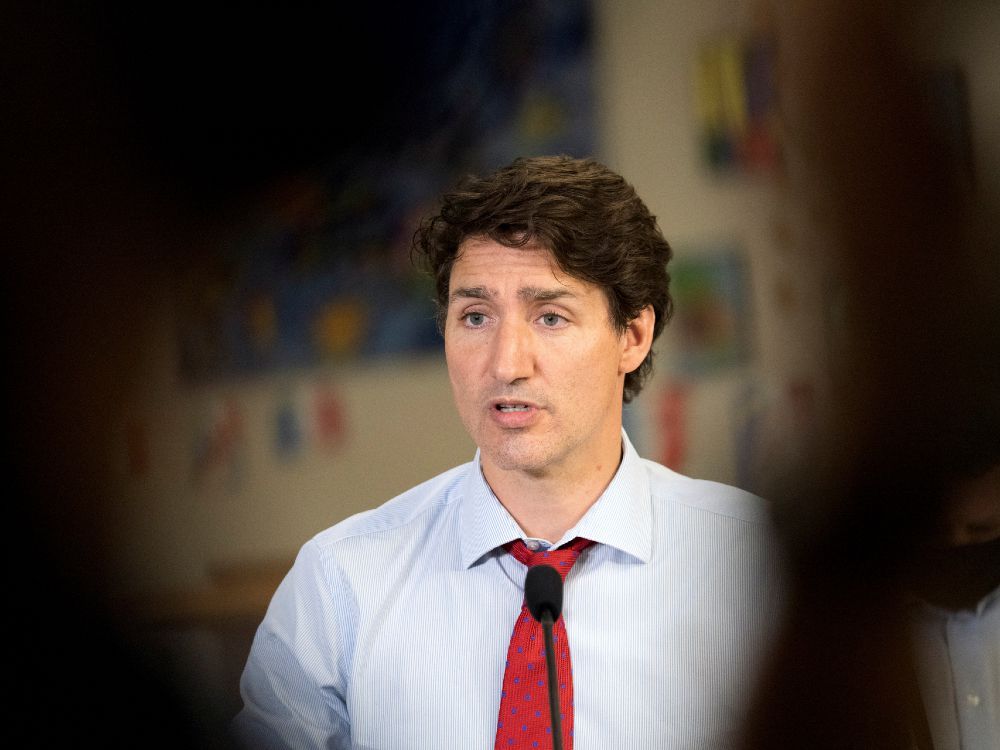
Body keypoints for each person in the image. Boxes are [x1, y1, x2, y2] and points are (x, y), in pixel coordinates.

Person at [232, 155, 786, 749]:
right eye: (475, 317)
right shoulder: (340, 584)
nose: (505, 364)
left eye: (550, 316)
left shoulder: (759, 565)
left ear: (632, 336)